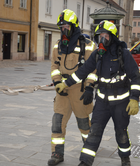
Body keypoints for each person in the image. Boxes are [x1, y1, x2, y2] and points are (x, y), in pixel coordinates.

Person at [55, 20, 140, 166]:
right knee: (94, 131)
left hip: (121, 103)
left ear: (113, 36)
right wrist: (66, 83)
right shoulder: (97, 54)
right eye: (100, 35)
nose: (102, 38)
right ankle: (85, 161)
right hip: (102, 102)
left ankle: (125, 159)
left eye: (105, 35)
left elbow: (135, 77)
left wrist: (134, 99)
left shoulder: (124, 54)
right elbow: (82, 72)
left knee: (121, 132)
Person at [48, 9, 97, 166]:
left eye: (66, 27)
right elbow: (54, 66)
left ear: (74, 26)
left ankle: (87, 155)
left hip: (80, 91)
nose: (63, 30)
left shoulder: (89, 46)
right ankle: (57, 154)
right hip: (62, 91)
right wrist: (56, 83)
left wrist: (89, 88)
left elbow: (93, 69)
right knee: (57, 123)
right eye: (61, 27)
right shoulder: (58, 45)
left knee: (84, 125)